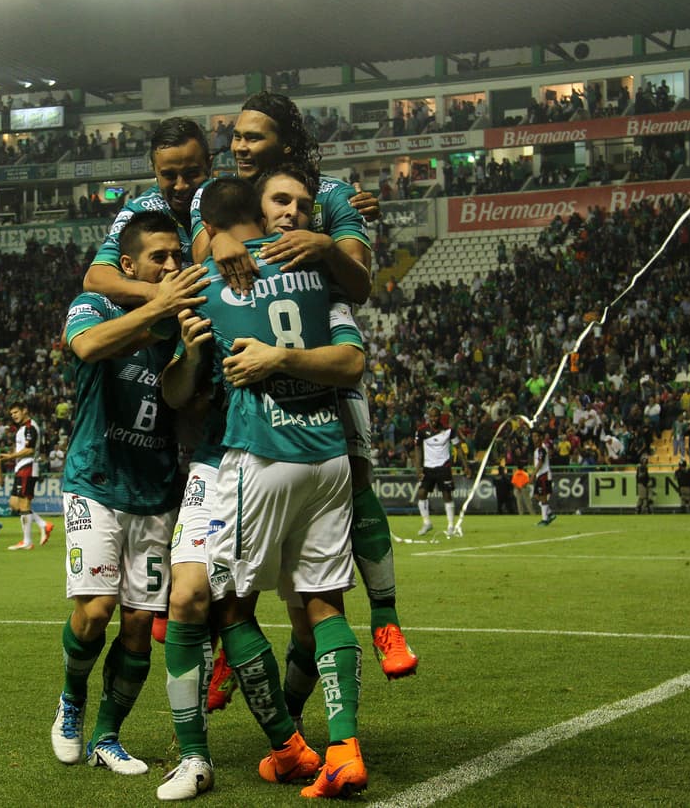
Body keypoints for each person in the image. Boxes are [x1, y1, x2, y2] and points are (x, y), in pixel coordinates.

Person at [192, 92, 416, 683]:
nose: (239, 146)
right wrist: (217, 238)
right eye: (236, 136)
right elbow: (201, 249)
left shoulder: (334, 196)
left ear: (286, 144)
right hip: (247, 366)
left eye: (253, 137)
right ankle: (230, 641)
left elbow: (360, 282)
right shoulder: (221, 194)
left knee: (355, 476)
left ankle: (387, 618)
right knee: (247, 515)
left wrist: (322, 244)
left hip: (319, 351)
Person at [189, 176, 369, 799]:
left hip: (260, 457)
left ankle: (290, 751)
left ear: (209, 230)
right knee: (324, 604)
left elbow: (186, 384)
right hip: (328, 456)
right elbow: (352, 361)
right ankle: (344, 748)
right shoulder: (318, 268)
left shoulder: (210, 282)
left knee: (233, 608)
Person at [49, 211, 210, 779]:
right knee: (95, 613)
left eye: (177, 257)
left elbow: (185, 402)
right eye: (159, 258)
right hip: (96, 480)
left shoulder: (187, 319)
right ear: (129, 266)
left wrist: (189, 353)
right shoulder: (93, 304)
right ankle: (71, 701)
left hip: (158, 489)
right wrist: (156, 310)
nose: (171, 265)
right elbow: (88, 348)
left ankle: (107, 736)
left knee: (141, 626)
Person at [83, 118, 212, 308]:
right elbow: (95, 278)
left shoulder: (230, 194)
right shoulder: (139, 210)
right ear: (154, 171)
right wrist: (156, 292)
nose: (181, 185)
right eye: (169, 176)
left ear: (209, 164)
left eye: (192, 173)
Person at [0, 402, 53, 551]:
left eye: (16, 412)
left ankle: (27, 541)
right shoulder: (23, 428)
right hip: (21, 467)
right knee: (14, 503)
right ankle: (42, 524)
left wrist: (11, 456)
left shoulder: (30, 427)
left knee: (24, 504)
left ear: (24, 410)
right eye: (12, 414)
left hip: (28, 467)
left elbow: (29, 450)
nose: (14, 415)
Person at [415, 406, 458, 537]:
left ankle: (451, 525)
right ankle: (427, 523)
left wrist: (466, 466)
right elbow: (417, 450)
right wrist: (418, 468)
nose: (433, 419)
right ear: (428, 417)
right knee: (422, 493)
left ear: (440, 416)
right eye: (431, 416)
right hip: (428, 468)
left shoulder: (449, 430)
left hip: (443, 467)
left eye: (436, 416)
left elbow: (458, 447)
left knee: (447, 495)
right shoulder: (421, 431)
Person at [532, 432, 557, 526]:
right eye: (533, 436)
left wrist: (533, 474)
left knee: (542, 496)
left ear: (540, 437)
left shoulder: (542, 449)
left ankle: (544, 520)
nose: (534, 438)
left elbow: (540, 462)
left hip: (543, 474)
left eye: (536, 436)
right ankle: (550, 513)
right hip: (540, 475)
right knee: (536, 496)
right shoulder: (538, 449)